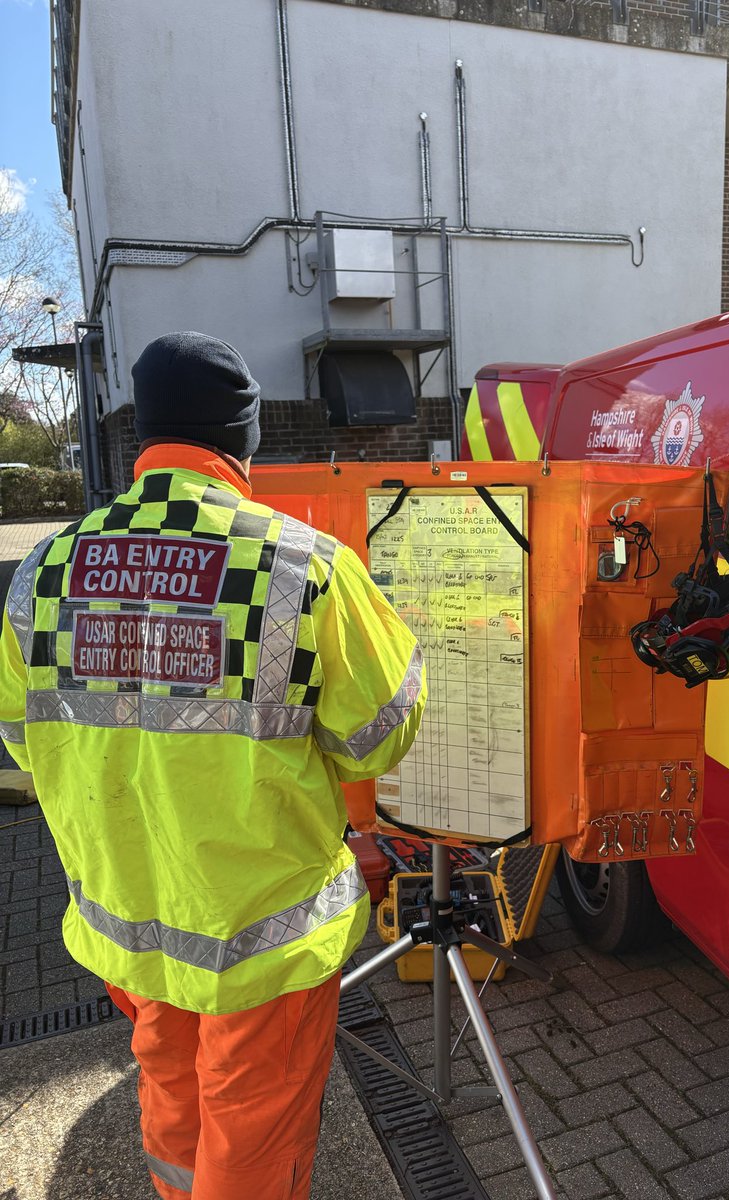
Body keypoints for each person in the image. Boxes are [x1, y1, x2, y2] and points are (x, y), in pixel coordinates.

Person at [0, 332, 426, 1200]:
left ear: (140, 435)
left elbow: (23, 743)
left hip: (131, 918)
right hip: (258, 934)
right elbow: (379, 736)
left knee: (173, 1093)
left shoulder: (43, 571)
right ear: (246, 437)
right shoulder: (302, 567)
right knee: (255, 1132)